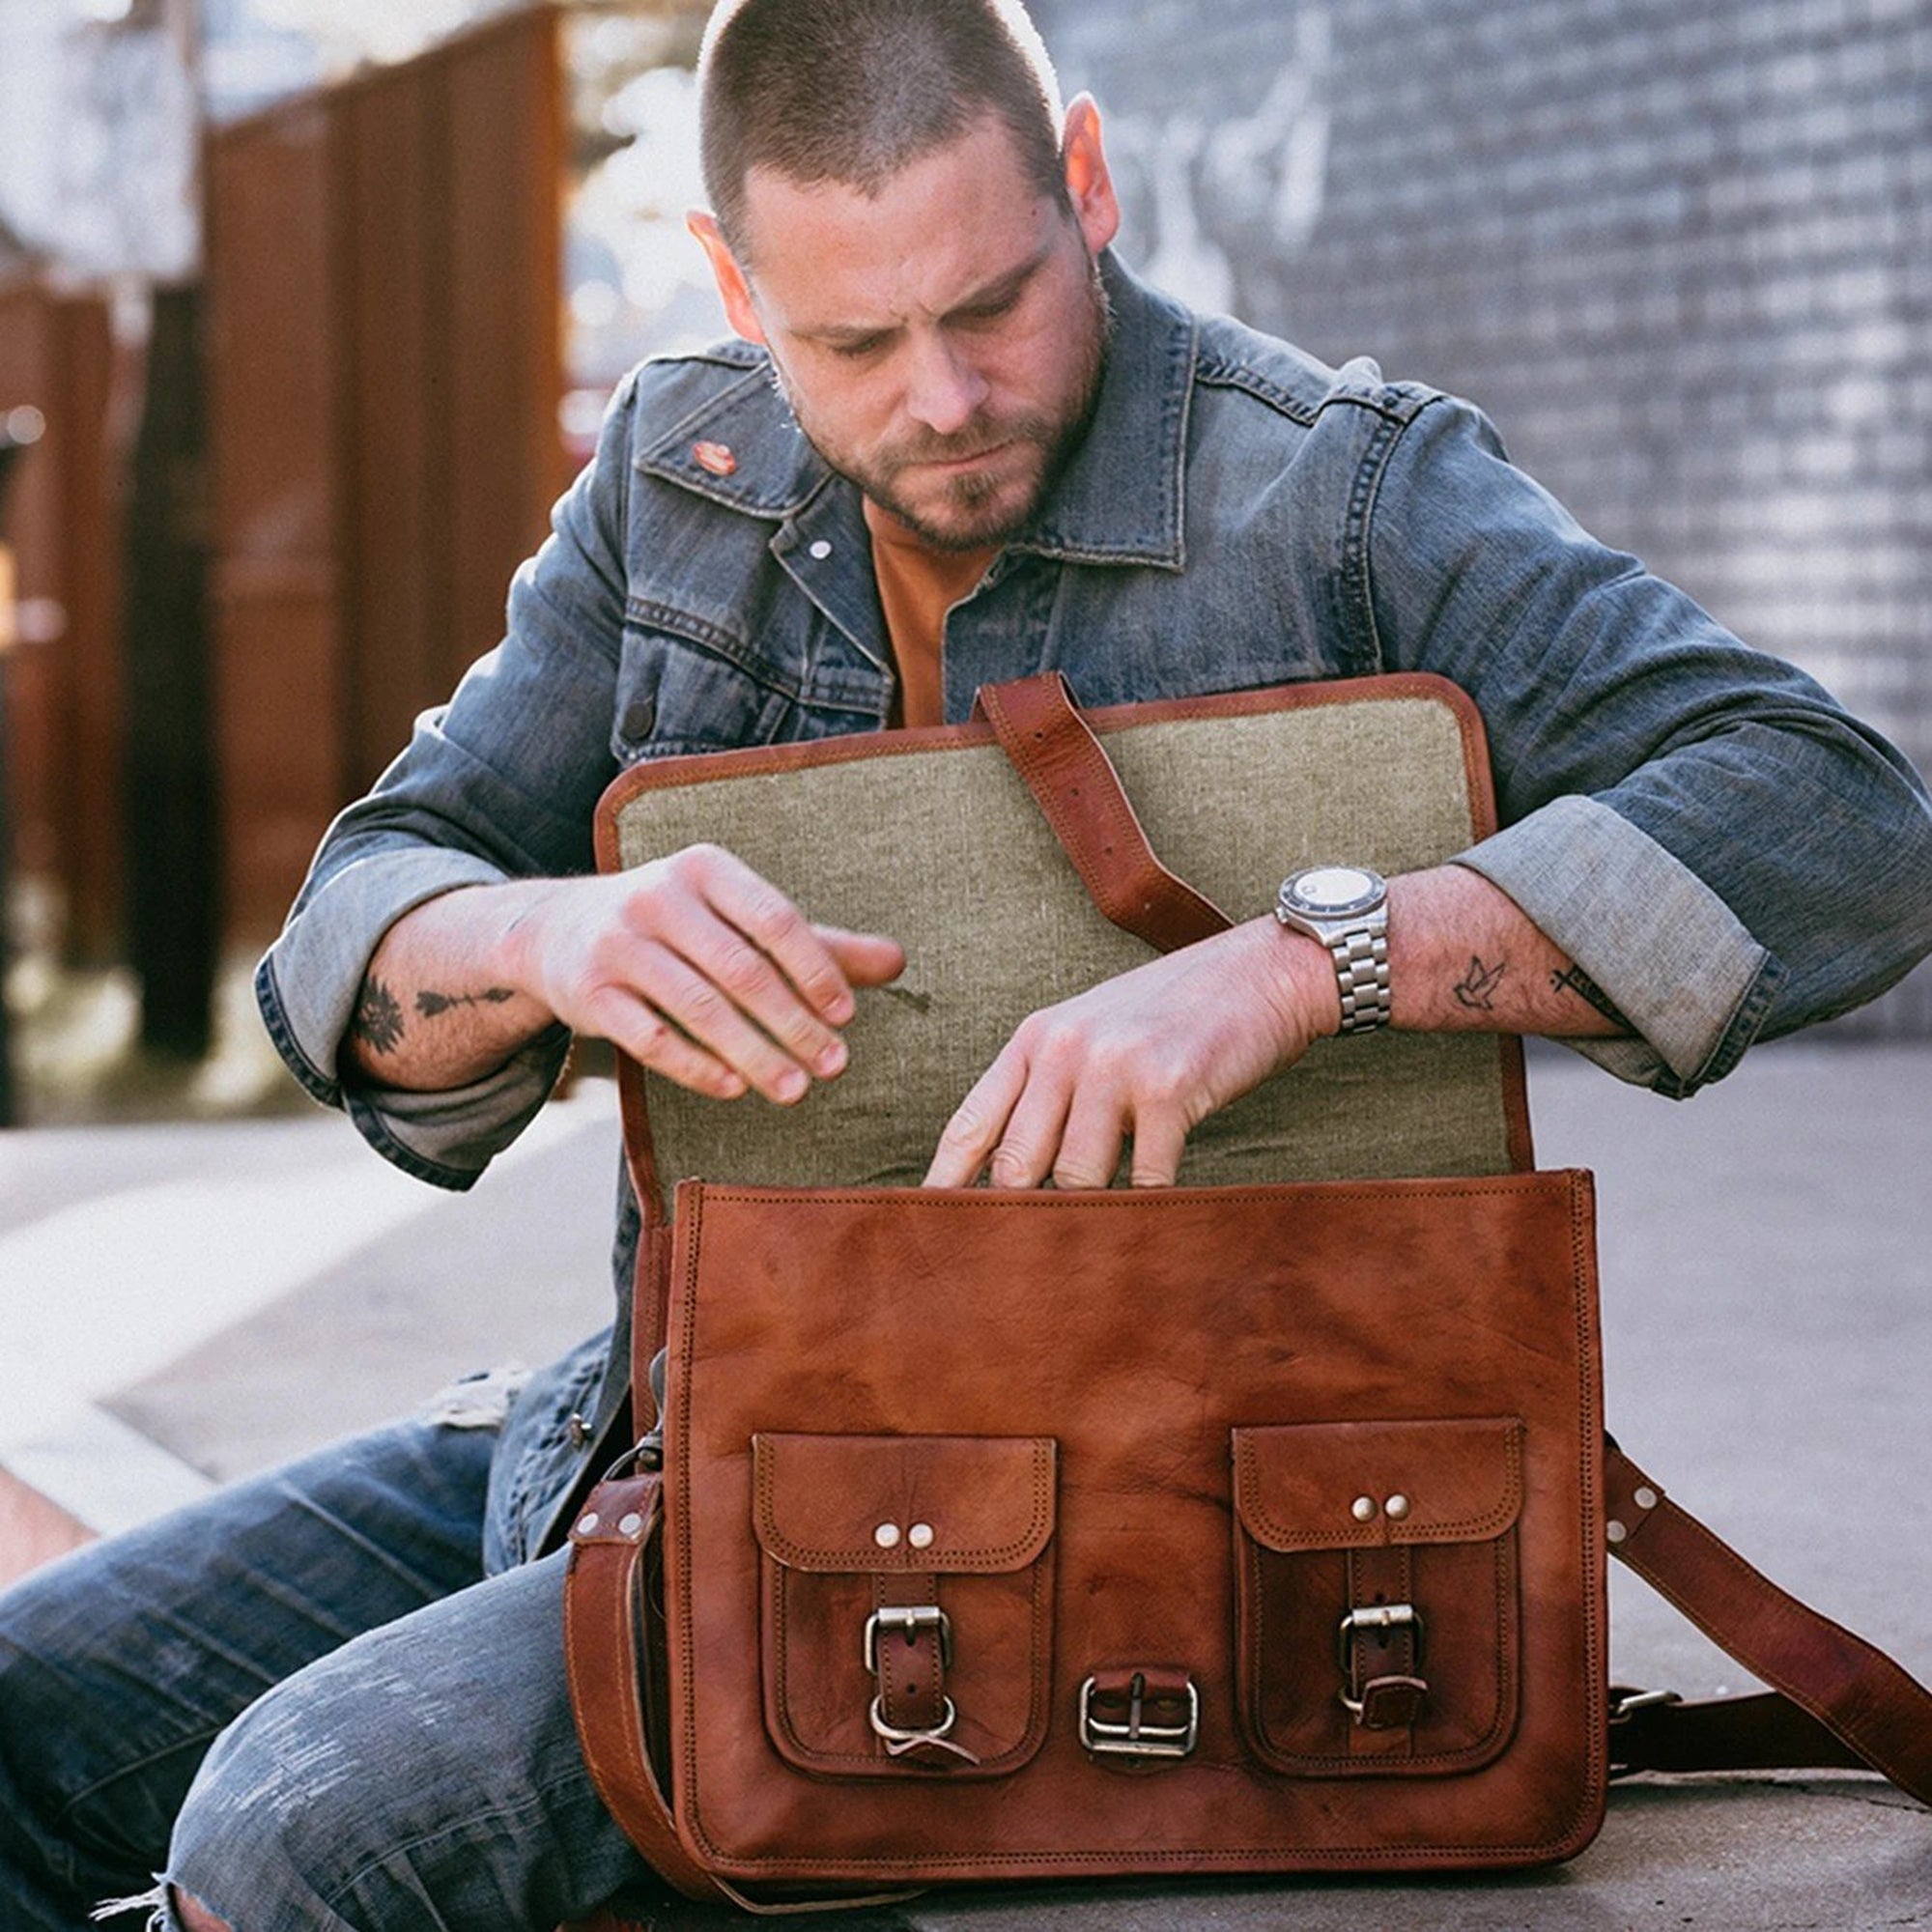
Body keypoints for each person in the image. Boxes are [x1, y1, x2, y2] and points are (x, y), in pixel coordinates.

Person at [5, 0, 1931, 1925]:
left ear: (1084, 181)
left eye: (992, 302)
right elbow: (351, 927)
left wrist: (1298, 963)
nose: (942, 394)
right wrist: (546, 933)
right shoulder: (671, 487)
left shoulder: (1338, 492)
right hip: (661, 1422)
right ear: (732, 287)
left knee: (279, 1839)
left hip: (1159, 1518)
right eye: (851, 339)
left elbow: (1841, 818)